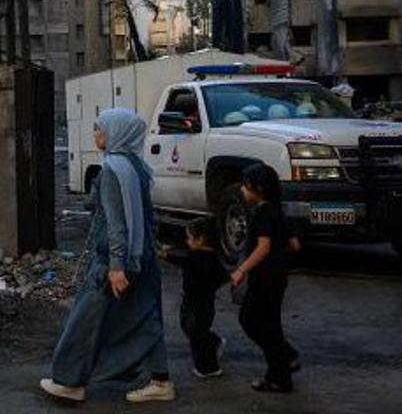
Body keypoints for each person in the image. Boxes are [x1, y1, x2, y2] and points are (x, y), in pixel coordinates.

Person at [40, 108, 174, 404]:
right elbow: (148, 216)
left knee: (84, 320)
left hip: (114, 262)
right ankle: (160, 379)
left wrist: (116, 267)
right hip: (142, 257)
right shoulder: (136, 166)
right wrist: (151, 248)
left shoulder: (113, 169)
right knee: (145, 316)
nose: (96, 134)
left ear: (116, 133)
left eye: (100, 129)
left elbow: (117, 223)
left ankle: (69, 382)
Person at [231, 164, 301, 393]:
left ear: (258, 188)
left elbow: (263, 248)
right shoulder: (277, 210)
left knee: (251, 320)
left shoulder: (262, 213)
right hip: (278, 276)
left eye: (245, 185)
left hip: (265, 277)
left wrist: (242, 270)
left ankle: (282, 363)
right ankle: (282, 366)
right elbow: (294, 244)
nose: (243, 190)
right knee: (270, 324)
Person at [161, 220, 228, 379]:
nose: (187, 241)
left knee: (196, 334)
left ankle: (208, 367)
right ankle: (213, 343)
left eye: (189, 238)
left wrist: (166, 254)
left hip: (194, 302)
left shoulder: (195, 258)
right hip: (205, 302)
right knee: (197, 331)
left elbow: (180, 259)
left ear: (200, 240)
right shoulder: (211, 257)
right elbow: (223, 277)